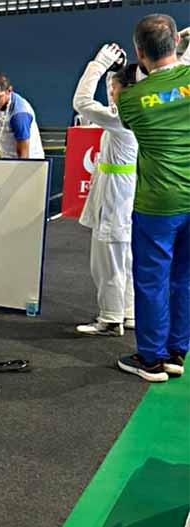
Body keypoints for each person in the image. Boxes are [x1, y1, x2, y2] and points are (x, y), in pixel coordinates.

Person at [115, 15, 190, 382]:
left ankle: (151, 359)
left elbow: (153, 92)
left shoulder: (131, 100)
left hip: (157, 203)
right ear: (176, 40)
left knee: (151, 279)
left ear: (138, 53)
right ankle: (178, 352)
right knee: (185, 276)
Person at [72, 44, 139, 337]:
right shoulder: (140, 110)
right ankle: (128, 312)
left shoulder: (122, 117)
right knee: (123, 255)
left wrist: (99, 63)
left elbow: (82, 101)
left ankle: (111, 319)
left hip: (115, 195)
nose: (110, 92)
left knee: (108, 257)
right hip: (123, 190)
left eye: (113, 87)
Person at [0, 72, 44, 158]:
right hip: (7, 158)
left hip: (27, 163)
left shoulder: (19, 115)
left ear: (9, 91)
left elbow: (23, 156)